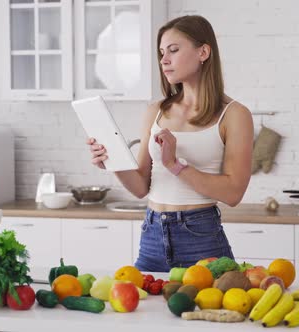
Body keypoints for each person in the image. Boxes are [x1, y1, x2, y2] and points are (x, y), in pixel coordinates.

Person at [86, 15, 253, 272]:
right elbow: (141, 186)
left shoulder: (234, 114)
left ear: (203, 52)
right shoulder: (156, 110)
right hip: (152, 236)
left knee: (208, 312)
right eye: (162, 52)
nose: (164, 60)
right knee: (143, 311)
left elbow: (233, 193)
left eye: (174, 50)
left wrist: (175, 165)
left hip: (201, 239)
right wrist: (113, 160)